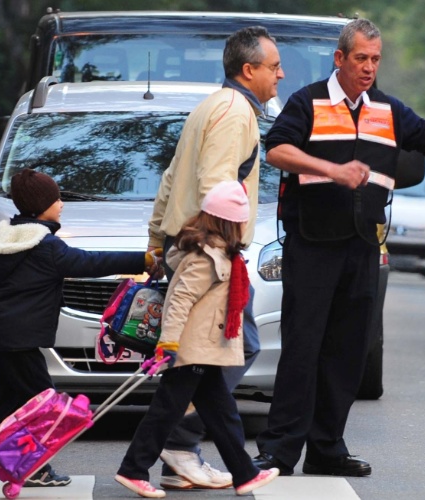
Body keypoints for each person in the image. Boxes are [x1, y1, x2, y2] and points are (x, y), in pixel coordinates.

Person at [251, 18, 425, 478]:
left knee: (348, 350)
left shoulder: (387, 110)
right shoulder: (308, 101)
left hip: (363, 244)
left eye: (376, 59)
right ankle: (279, 451)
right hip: (313, 245)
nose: (369, 68)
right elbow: (278, 150)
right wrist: (332, 170)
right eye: (361, 58)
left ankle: (326, 448)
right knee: (304, 347)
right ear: (340, 59)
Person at [0, 169, 163, 488]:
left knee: (1, 403)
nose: (61, 203)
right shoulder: (46, 246)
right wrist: (141, 260)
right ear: (40, 205)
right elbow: (90, 263)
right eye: (55, 199)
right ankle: (34, 468)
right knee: (46, 404)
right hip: (21, 340)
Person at [145, 25, 283, 490]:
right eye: (273, 67)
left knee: (209, 357)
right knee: (231, 350)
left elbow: (169, 179)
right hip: (210, 250)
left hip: (188, 244)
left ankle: (177, 454)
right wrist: (221, 251)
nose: (280, 75)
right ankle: (177, 443)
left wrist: (156, 240)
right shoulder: (234, 112)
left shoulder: (212, 105)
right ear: (249, 70)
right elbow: (216, 185)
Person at [116, 181, 280, 498]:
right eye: (241, 221)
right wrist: (170, 343)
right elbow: (178, 301)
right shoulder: (203, 258)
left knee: (222, 414)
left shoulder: (216, 253)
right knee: (166, 413)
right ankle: (132, 470)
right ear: (228, 222)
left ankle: (245, 474)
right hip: (191, 349)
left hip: (204, 350)